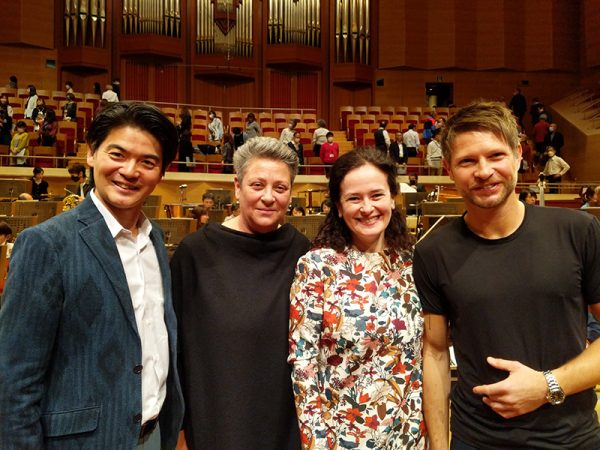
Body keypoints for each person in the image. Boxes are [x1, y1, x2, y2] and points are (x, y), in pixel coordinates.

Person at [413, 101, 600, 450]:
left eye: (495, 155)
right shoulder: (432, 251)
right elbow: (436, 353)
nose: (483, 171)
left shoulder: (579, 231)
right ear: (450, 170)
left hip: (572, 439)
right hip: (477, 440)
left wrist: (547, 386)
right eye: (468, 161)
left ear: (517, 155)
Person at [0, 102, 185, 449]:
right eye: (118, 154)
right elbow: (14, 380)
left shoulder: (155, 239)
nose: (130, 171)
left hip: (153, 434)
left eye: (148, 162)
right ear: (91, 154)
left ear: (161, 173)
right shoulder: (46, 244)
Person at [170, 137, 310, 450]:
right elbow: (176, 349)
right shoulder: (194, 254)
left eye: (280, 188)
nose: (268, 197)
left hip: (283, 422)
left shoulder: (303, 252)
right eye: (257, 185)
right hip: (215, 418)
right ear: (237, 186)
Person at [289, 148, 425, 449]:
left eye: (376, 195)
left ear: (393, 198)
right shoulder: (317, 267)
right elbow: (304, 365)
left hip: (409, 437)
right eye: (354, 198)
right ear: (338, 207)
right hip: (343, 439)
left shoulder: (413, 264)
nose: (367, 208)